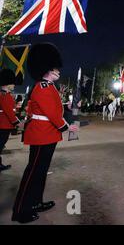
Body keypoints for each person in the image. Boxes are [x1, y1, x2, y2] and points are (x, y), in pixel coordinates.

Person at [12, 43, 79, 224]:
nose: (58, 71)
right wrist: (67, 127)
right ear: (48, 69)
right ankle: (21, 210)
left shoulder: (48, 87)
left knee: (41, 172)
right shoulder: (43, 87)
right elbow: (52, 113)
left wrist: (70, 107)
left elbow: (54, 107)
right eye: (56, 68)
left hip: (47, 135)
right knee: (34, 172)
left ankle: (35, 202)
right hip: (42, 135)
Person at [0, 69, 23, 172]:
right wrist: (17, 123)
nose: (14, 85)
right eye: (12, 83)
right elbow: (9, 112)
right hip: (3, 125)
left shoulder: (6, 94)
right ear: (7, 83)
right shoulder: (3, 95)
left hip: (5, 125)